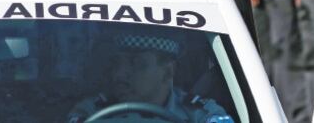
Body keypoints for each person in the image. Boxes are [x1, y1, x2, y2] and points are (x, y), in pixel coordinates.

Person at [66, 31, 233, 123]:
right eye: (117, 63)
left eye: (137, 63)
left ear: (168, 72)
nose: (119, 73)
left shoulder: (201, 113)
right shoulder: (91, 111)